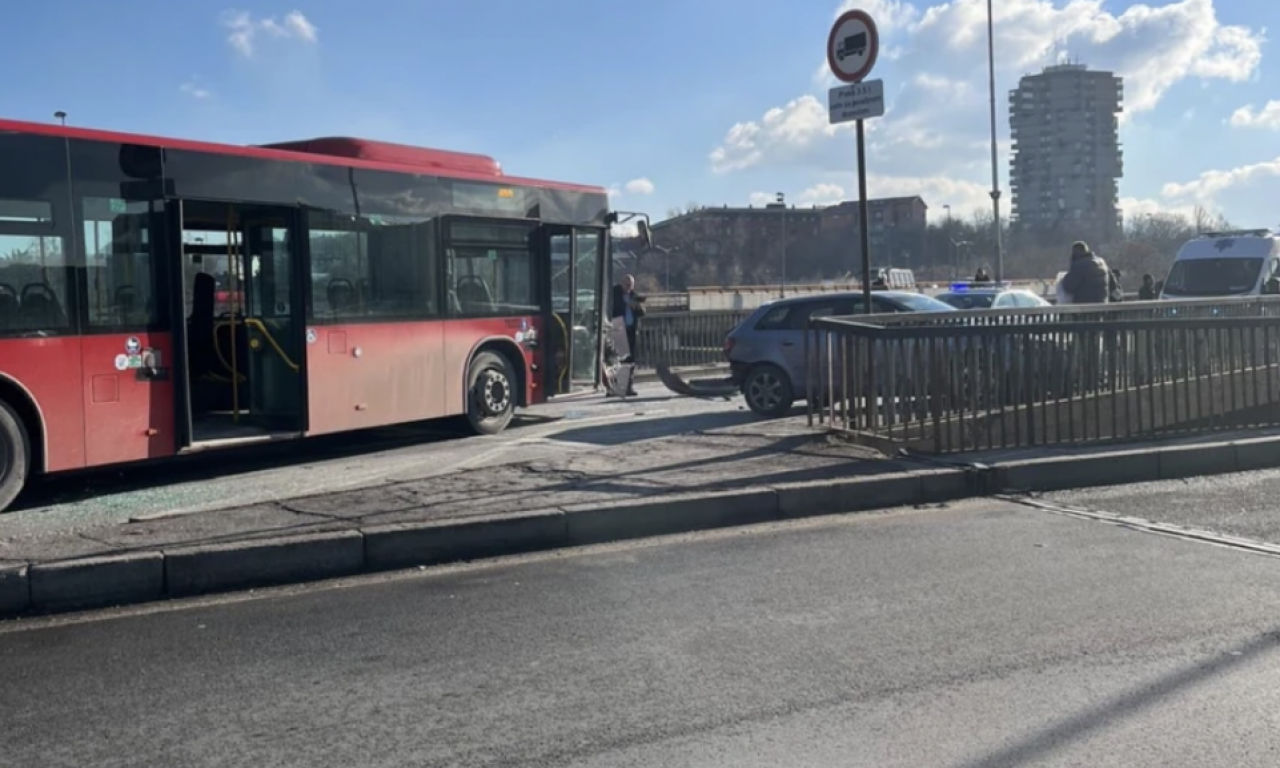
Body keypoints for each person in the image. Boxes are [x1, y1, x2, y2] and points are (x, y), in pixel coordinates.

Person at [609, 274, 645, 396]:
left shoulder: (633, 295)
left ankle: (628, 386)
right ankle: (615, 387)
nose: (629, 287)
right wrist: (626, 305)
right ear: (622, 283)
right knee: (618, 359)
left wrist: (637, 306)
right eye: (627, 284)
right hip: (618, 327)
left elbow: (641, 312)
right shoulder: (615, 293)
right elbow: (612, 308)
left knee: (630, 360)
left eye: (631, 285)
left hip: (631, 329)